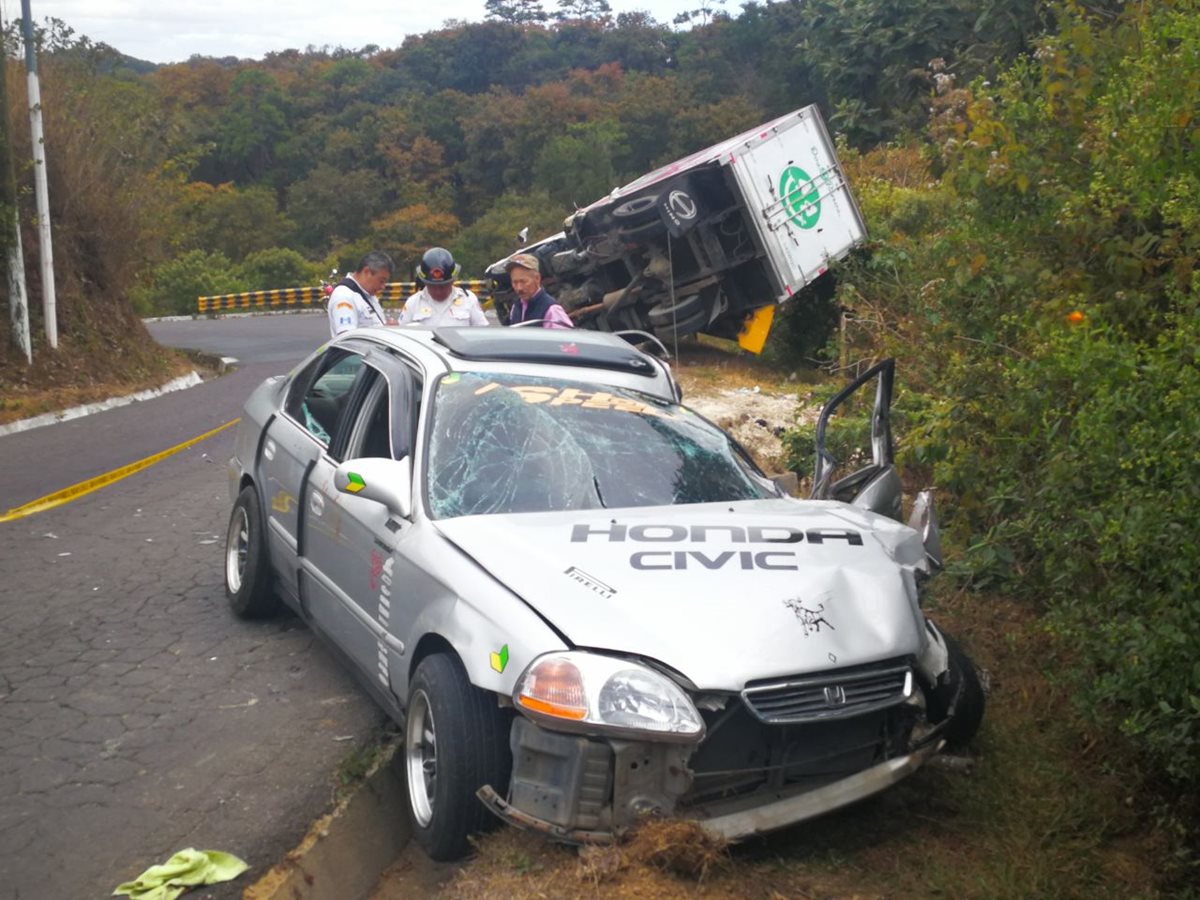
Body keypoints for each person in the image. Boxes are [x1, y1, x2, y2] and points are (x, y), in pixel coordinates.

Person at [397, 247, 489, 328]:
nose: (438, 291)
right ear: (425, 283)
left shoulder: (468, 299)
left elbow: (483, 334)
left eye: (443, 286)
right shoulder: (413, 303)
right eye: (432, 287)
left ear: (453, 280)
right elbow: (401, 336)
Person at [327, 251, 395, 338]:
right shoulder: (345, 297)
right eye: (381, 281)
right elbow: (348, 340)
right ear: (366, 272)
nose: (383, 286)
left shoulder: (368, 294)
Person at [504, 253, 573, 329]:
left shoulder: (551, 310)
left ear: (537, 278)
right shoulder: (516, 307)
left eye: (523, 281)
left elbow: (566, 340)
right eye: (515, 282)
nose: (519, 288)